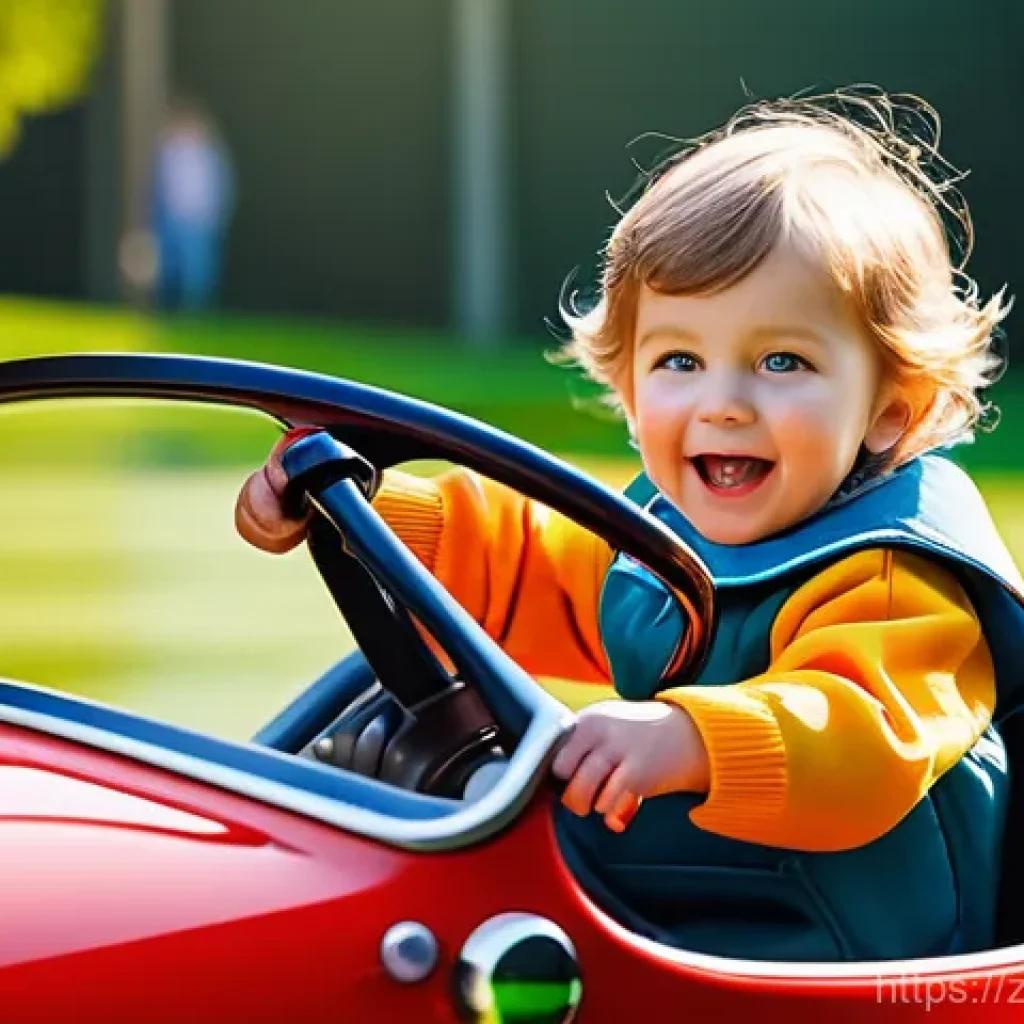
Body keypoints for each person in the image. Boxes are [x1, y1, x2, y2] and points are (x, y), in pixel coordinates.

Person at [234, 87, 1024, 963]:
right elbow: (530, 560)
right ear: (632, 383)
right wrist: (362, 518)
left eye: (782, 362)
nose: (723, 404)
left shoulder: (896, 583)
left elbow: (859, 735)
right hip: (691, 921)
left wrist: (691, 740)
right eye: (681, 359)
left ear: (890, 409)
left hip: (846, 963)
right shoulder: (669, 539)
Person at [150, 99, 236, 311]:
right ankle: (165, 312)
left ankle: (195, 314)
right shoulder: (167, 151)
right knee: (168, 272)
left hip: (199, 221)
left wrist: (217, 216)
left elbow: (221, 188)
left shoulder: (209, 155)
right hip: (170, 219)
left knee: (197, 274)